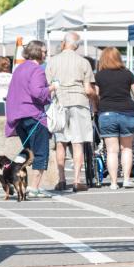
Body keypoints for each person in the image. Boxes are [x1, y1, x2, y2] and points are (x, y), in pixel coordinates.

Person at [46, 32, 98, 192]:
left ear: (63, 43)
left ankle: (61, 179)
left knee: (60, 142)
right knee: (77, 142)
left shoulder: (52, 61)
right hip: (79, 102)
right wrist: (95, 101)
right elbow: (89, 89)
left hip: (60, 102)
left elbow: (48, 86)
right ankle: (76, 180)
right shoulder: (83, 62)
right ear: (77, 46)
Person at [5, 40, 56, 199]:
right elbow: (38, 93)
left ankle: (12, 178)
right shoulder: (37, 70)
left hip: (19, 116)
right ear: (37, 52)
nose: (46, 54)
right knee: (40, 152)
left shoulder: (19, 68)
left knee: (28, 152)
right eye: (44, 51)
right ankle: (34, 187)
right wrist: (52, 88)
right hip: (34, 115)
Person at [95, 47, 134, 190]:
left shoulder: (99, 76)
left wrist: (97, 108)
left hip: (107, 113)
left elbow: (96, 95)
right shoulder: (127, 74)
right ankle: (127, 179)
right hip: (127, 112)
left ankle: (114, 182)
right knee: (127, 148)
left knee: (111, 151)